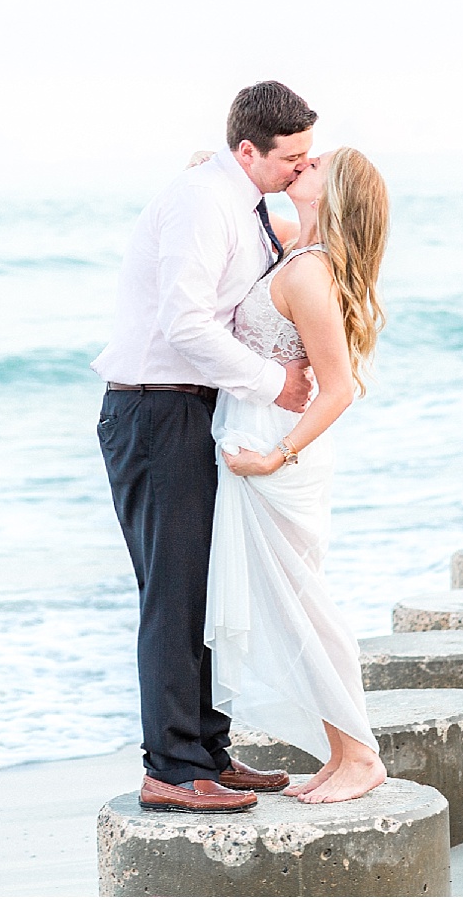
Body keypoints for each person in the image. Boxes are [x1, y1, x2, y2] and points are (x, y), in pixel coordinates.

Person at [92, 82, 319, 814]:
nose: (299, 169)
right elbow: (185, 321)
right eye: (291, 159)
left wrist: (307, 205)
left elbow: (283, 269)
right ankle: (172, 766)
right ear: (247, 150)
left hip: (195, 412)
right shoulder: (203, 199)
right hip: (156, 412)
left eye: (308, 156)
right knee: (173, 592)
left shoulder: (241, 200)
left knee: (204, 583)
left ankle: (209, 751)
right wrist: (272, 383)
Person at [208, 146, 391, 803]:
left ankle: (361, 754)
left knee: (306, 606)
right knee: (292, 609)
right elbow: (240, 202)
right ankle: (342, 752)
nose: (300, 163)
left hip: (278, 456)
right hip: (259, 448)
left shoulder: (311, 272)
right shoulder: (297, 244)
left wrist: (272, 455)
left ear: (330, 191)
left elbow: (337, 390)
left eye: (313, 165)